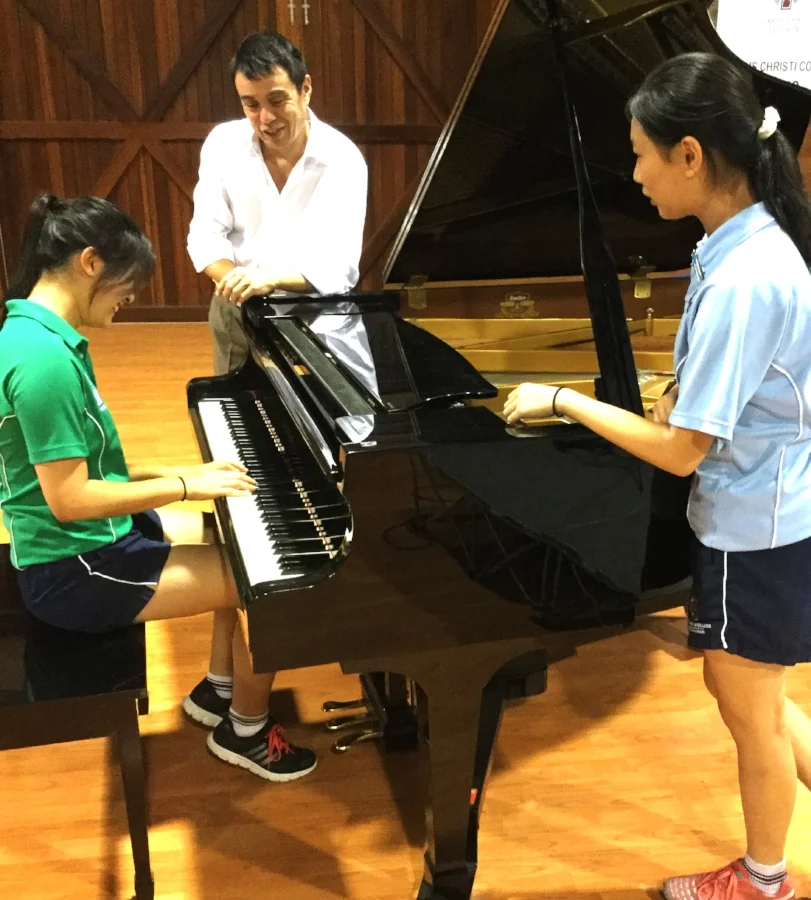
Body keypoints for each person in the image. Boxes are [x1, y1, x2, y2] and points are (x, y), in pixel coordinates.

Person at [504, 52, 811, 900]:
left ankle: (763, 880)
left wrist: (566, 401)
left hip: (756, 526)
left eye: (640, 154)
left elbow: (680, 451)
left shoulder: (747, 277)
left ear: (689, 155)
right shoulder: (736, 242)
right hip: (760, 509)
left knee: (750, 711)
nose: (633, 174)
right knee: (752, 692)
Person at [0, 193, 318, 783]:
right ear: (90, 262)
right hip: (73, 569)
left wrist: (189, 475)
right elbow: (70, 500)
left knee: (228, 538)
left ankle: (219, 690)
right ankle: (247, 732)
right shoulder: (44, 361)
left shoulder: (35, 333)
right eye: (129, 284)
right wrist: (181, 484)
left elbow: (98, 472)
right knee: (271, 588)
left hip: (87, 541)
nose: (131, 299)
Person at [186, 29, 368, 375]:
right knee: (237, 401)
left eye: (277, 100)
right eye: (251, 105)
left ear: (305, 89)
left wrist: (270, 279)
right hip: (238, 305)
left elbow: (340, 267)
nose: (266, 118)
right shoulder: (223, 144)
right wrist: (240, 283)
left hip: (318, 312)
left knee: (332, 403)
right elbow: (206, 235)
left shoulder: (342, 159)